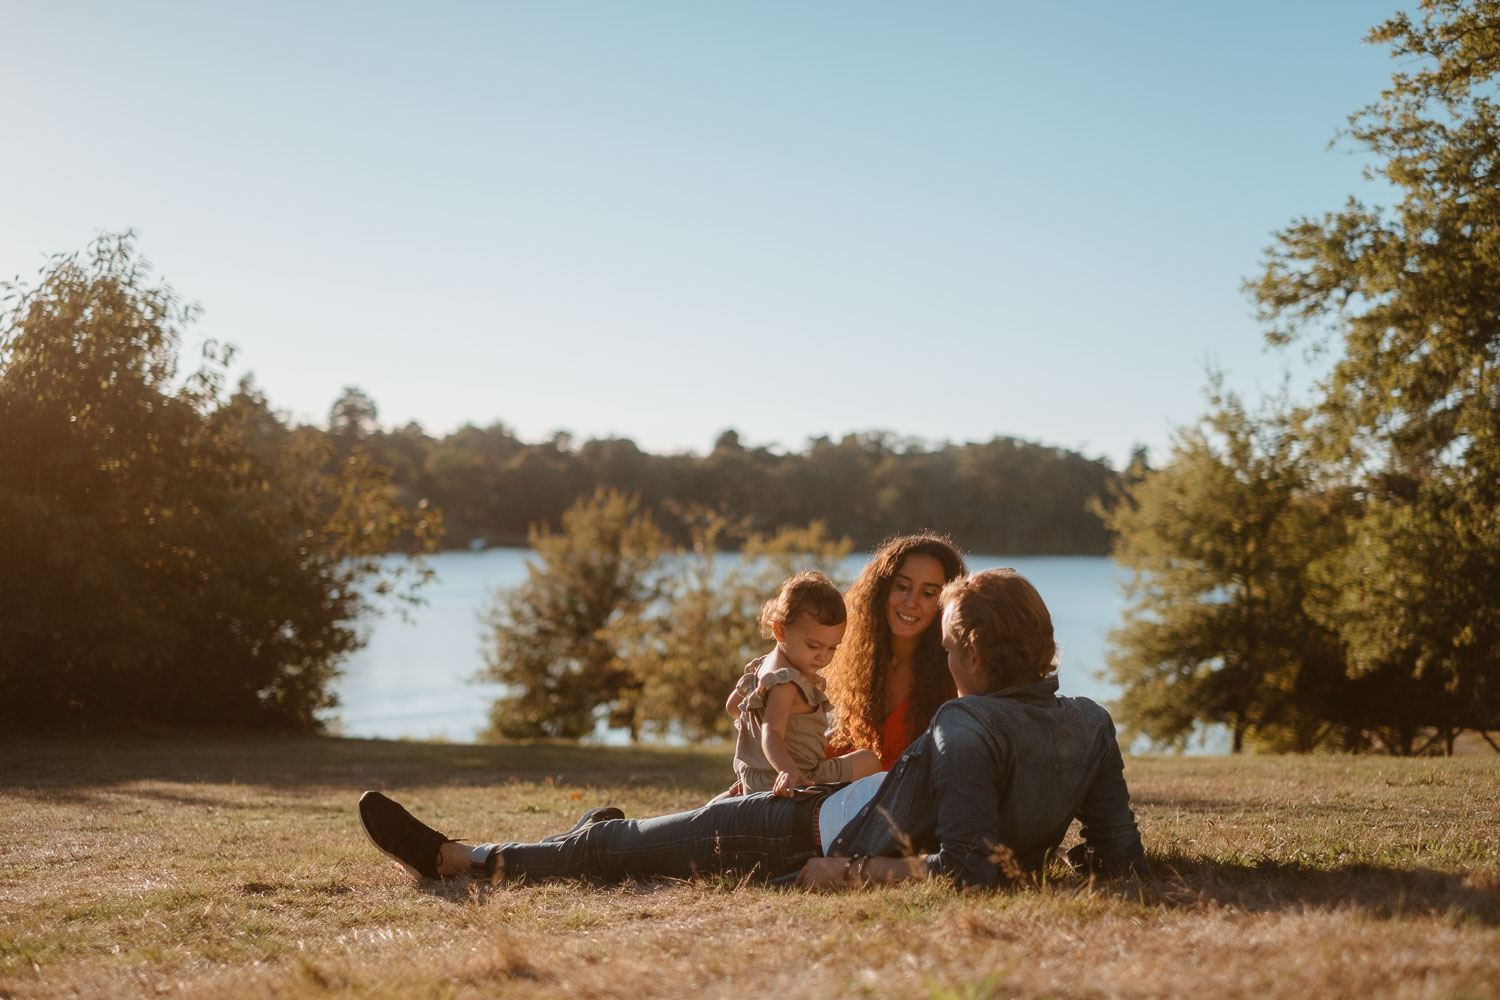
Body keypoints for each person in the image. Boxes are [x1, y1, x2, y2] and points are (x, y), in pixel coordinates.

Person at [359, 568, 1147, 890]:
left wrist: (851, 875)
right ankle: (589, 835)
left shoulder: (965, 721)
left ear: (971, 648)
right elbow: (1118, 856)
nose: (949, 661)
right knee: (649, 850)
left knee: (621, 848)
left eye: (949, 647)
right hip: (833, 814)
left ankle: (459, 859)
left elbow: (967, 866)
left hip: (811, 829)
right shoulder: (1089, 719)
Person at [723, 572, 882, 796]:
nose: (823, 657)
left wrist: (755, 737)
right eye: (813, 646)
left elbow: (733, 707)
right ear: (780, 630)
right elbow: (771, 731)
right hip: (796, 776)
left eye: (832, 648)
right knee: (870, 760)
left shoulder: (761, 667)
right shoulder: (786, 682)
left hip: (755, 776)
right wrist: (788, 769)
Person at [823, 533, 967, 768]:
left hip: (907, 800)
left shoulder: (955, 676)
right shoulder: (864, 660)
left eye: (929, 593)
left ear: (947, 604)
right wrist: (782, 767)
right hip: (853, 796)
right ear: (882, 589)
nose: (911, 601)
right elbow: (848, 741)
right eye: (902, 586)